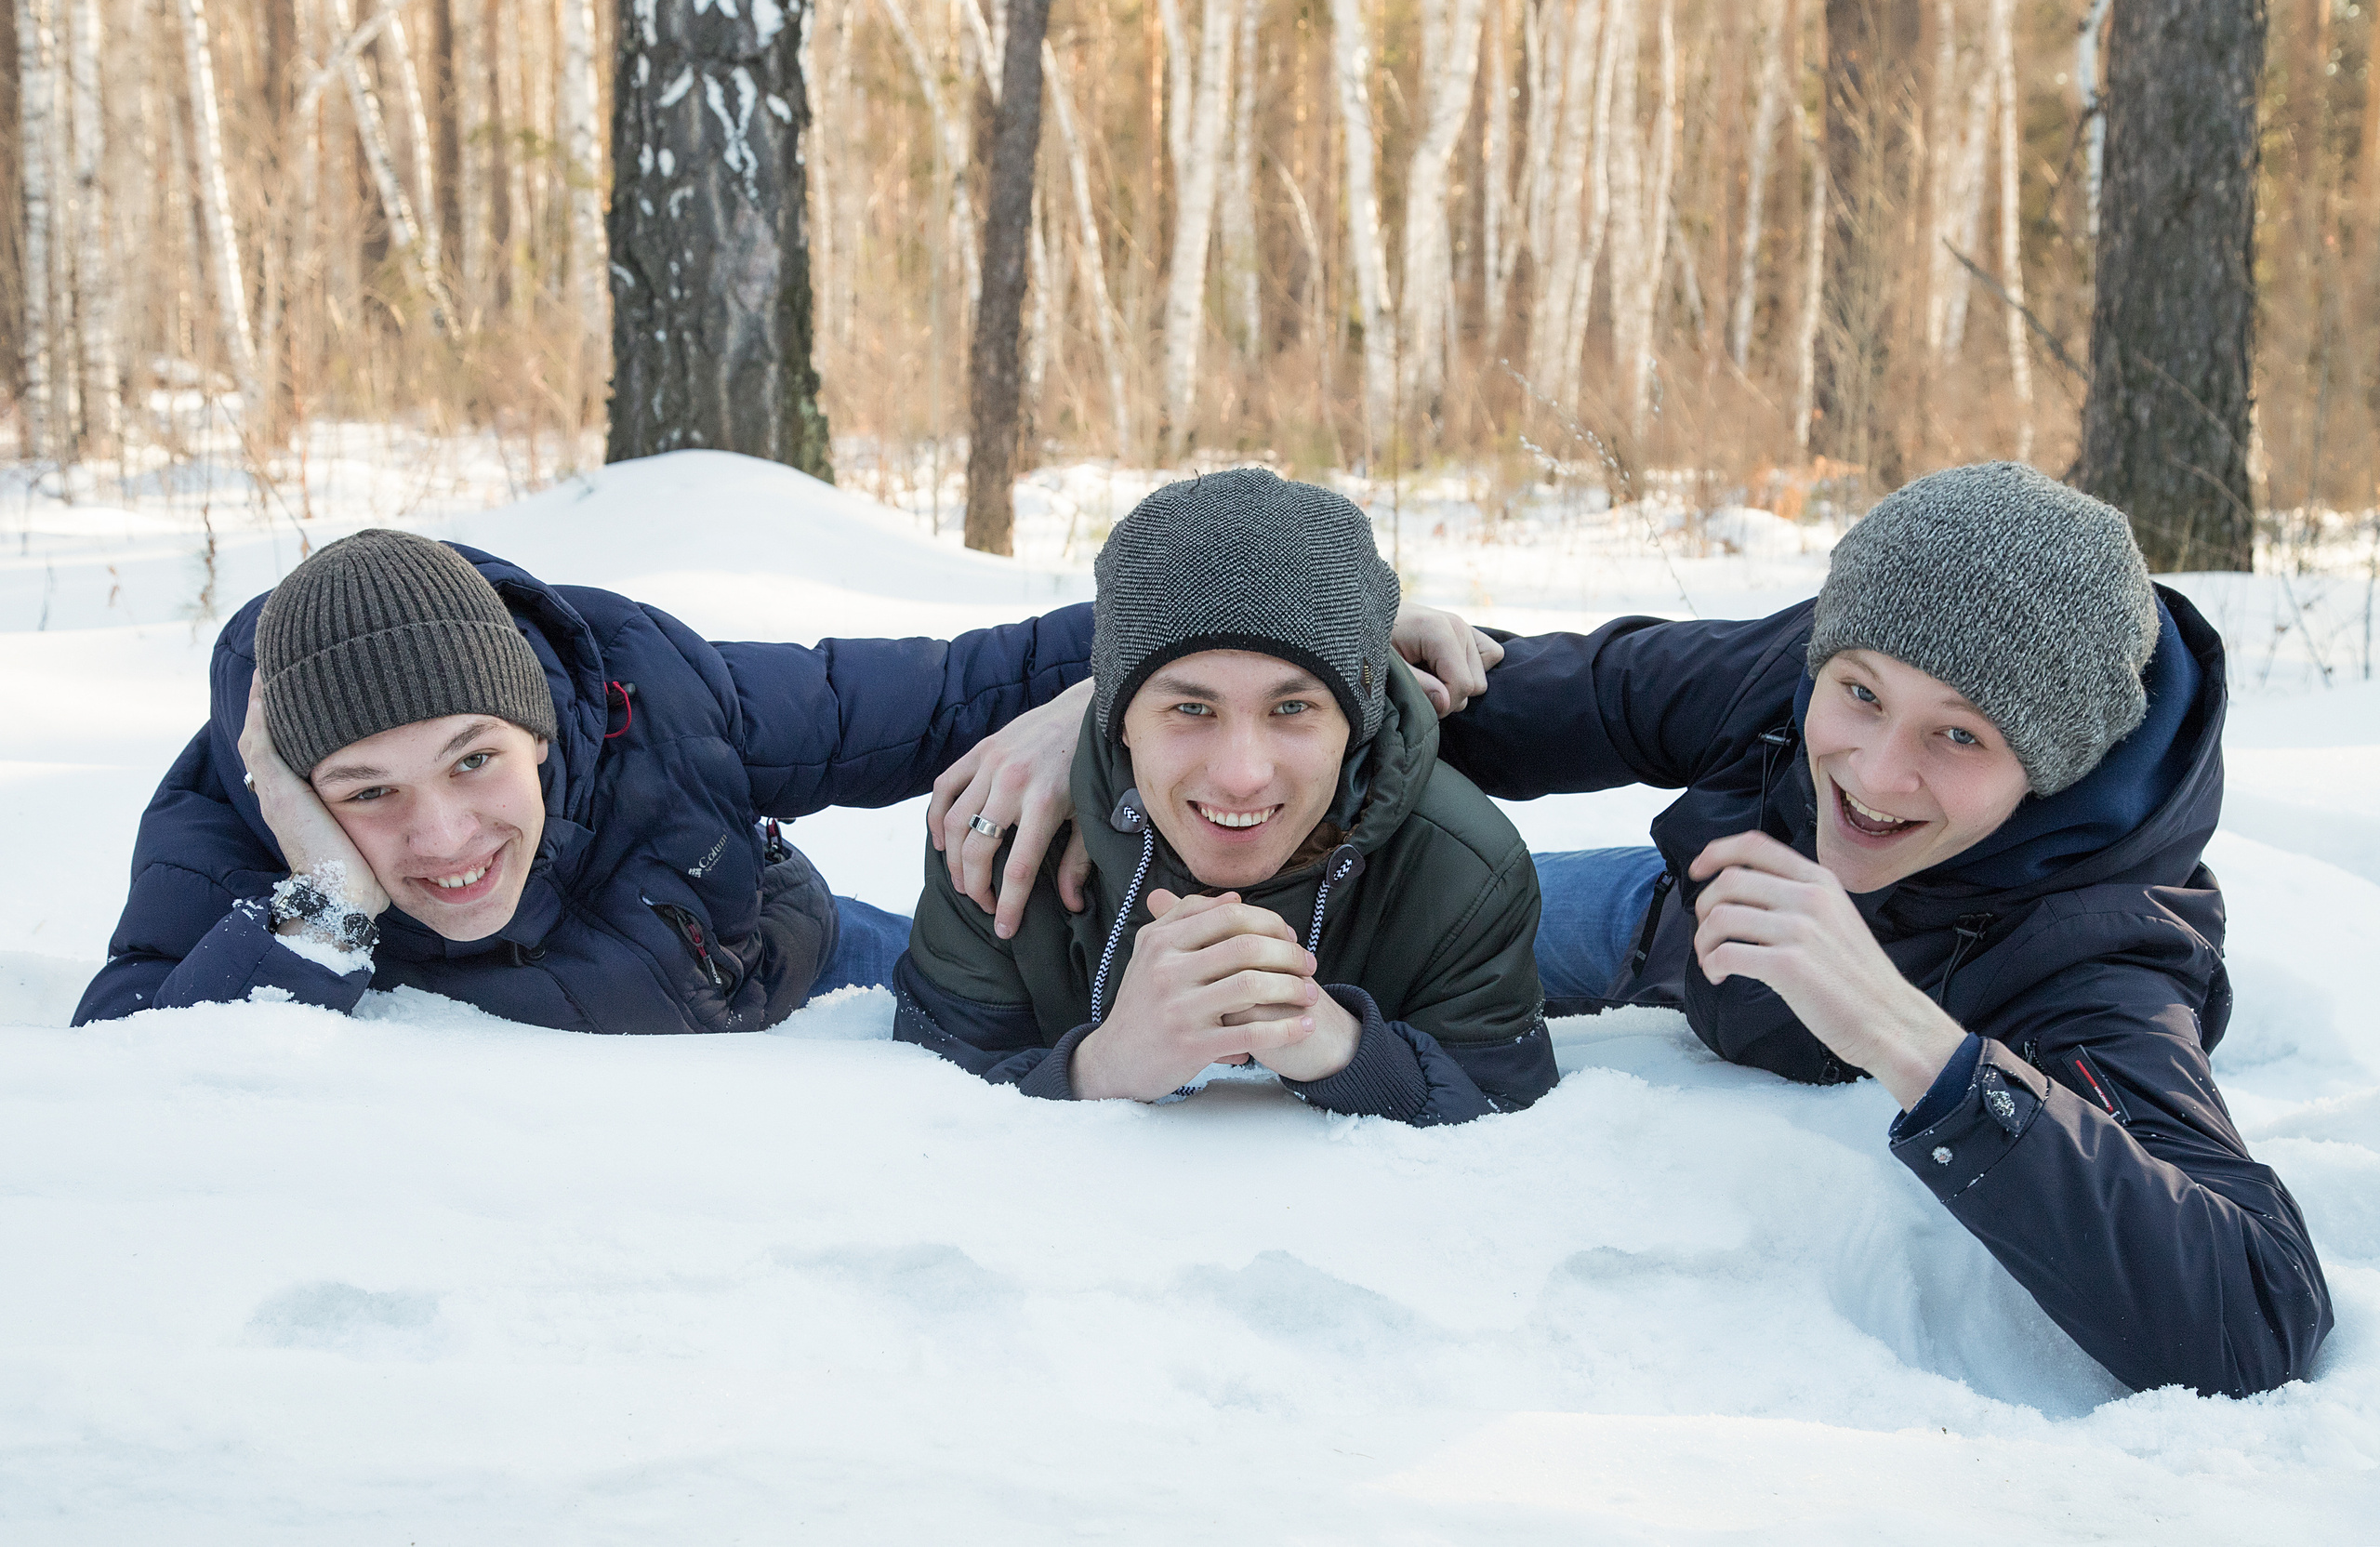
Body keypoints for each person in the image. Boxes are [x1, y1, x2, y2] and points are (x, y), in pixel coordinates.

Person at [1431, 462, 2331, 1399]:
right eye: (1860, 695)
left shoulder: (2093, 953)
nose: (1874, 772)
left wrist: (1909, 1040)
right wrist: (1370, 669)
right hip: (1673, 918)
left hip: (1854, 1013)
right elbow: (1597, 694)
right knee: (1385, 915)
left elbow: (2253, 1314)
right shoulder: (1845, 653)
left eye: (1960, 736)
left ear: (2050, 766)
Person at [76, 527, 1494, 1035]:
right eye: (367, 793)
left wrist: (1317, 634)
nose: (443, 834)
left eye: (473, 760)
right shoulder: (234, 825)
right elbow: (133, 1061)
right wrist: (325, 898)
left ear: (542, 727)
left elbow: (962, 681)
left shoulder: (654, 699)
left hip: (806, 953)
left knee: (1294, 948)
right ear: (298, 788)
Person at [892, 469, 1557, 1124]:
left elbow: (1511, 1137)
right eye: (1191, 708)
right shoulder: (1003, 839)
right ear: (1120, 717)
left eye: (1292, 707)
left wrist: (1346, 1049)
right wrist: (1099, 1068)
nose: (1242, 776)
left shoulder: (1466, 873)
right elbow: (923, 1121)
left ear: (1356, 721)